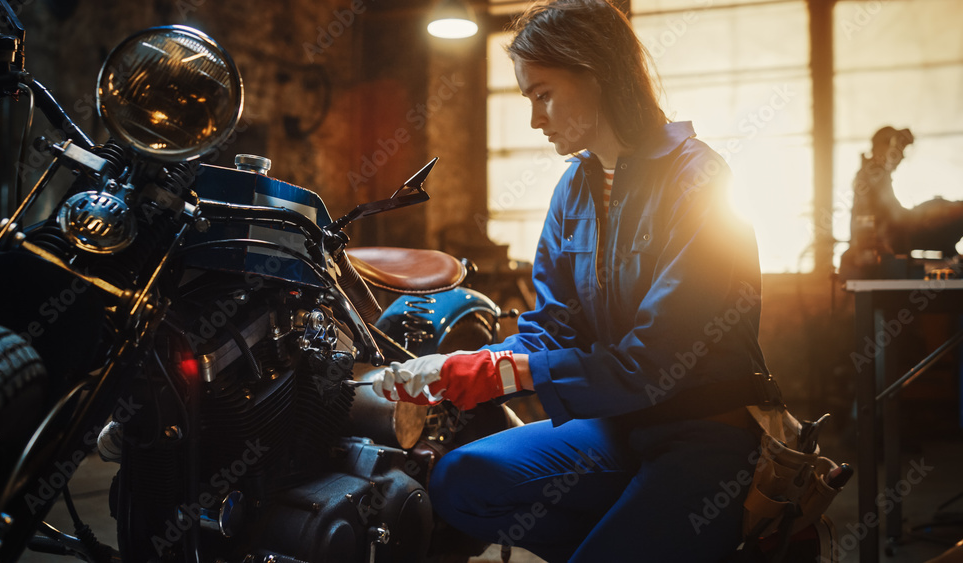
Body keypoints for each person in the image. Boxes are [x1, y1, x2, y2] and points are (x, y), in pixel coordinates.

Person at [373, 0, 773, 560]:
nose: (536, 118)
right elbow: (549, 328)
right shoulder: (575, 190)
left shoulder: (698, 177)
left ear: (598, 74)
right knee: (460, 482)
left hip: (702, 431)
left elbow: (656, 361)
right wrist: (459, 369)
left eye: (543, 94)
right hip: (614, 425)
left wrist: (502, 374)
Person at [846, 126, 963, 272]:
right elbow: (897, 217)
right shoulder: (874, 176)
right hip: (877, 260)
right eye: (898, 150)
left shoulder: (872, 174)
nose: (901, 157)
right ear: (883, 147)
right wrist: (933, 212)